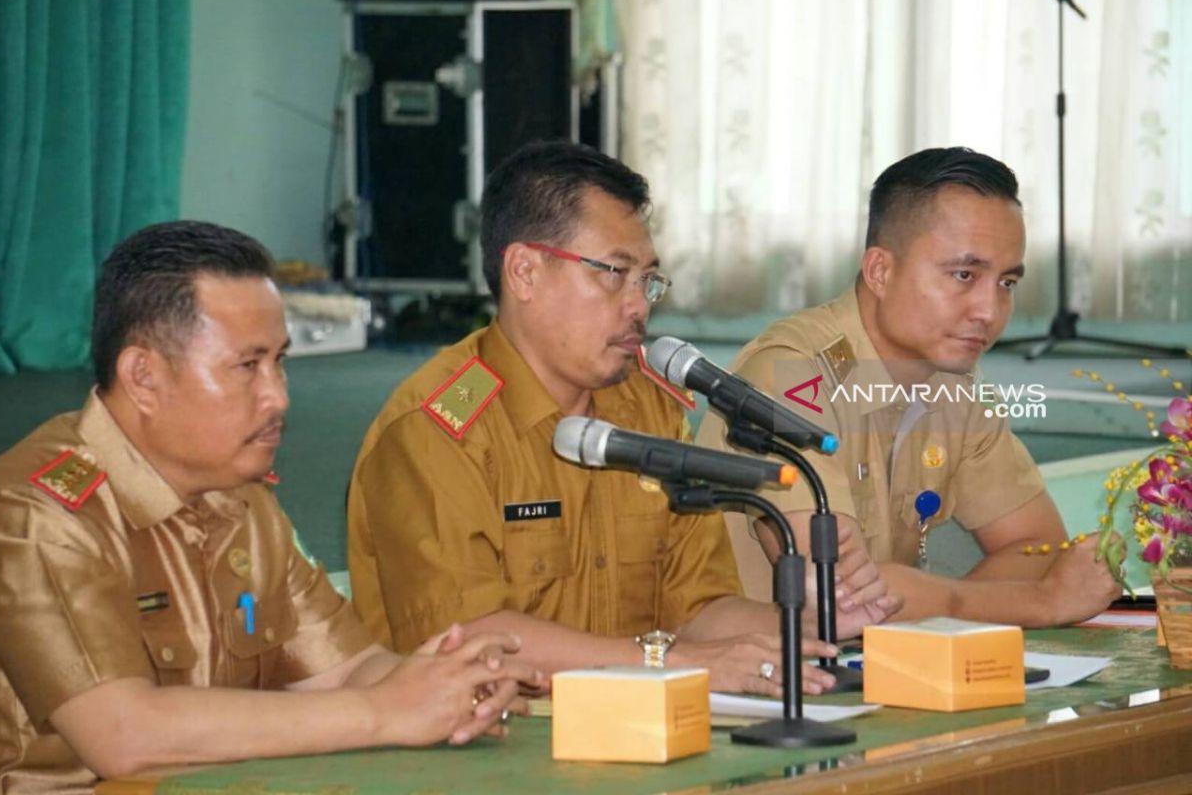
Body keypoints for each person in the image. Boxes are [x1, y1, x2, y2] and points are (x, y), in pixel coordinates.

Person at [0, 221, 541, 794]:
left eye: (279, 361)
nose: (279, 395)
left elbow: (346, 671)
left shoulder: (240, 497)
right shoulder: (37, 515)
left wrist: (442, 684)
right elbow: (124, 735)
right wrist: (386, 712)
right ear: (143, 377)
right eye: (246, 366)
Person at [347, 141, 901, 700]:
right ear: (524, 272)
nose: (639, 306)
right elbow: (468, 643)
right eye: (614, 273)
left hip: (634, 729)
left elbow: (698, 609)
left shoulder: (650, 409)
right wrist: (666, 661)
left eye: (648, 281)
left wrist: (807, 621)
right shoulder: (435, 430)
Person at [696, 147, 1120, 627]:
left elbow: (1037, 548)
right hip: (742, 683)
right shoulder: (792, 377)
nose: (989, 310)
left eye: (1006, 283)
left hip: (864, 677)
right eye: (964, 275)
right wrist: (1039, 603)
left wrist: (936, 618)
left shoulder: (950, 385)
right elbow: (838, 598)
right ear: (880, 271)